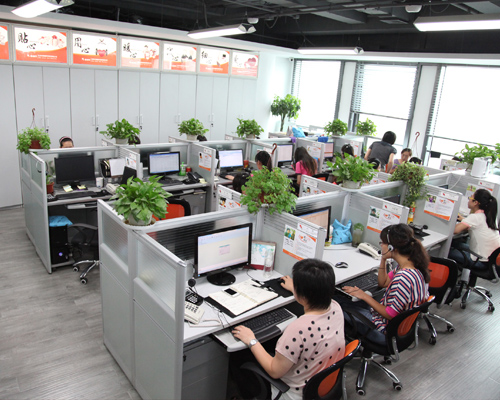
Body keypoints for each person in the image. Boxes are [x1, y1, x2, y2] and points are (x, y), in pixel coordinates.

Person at [232, 259, 344, 400]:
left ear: (303, 294)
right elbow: (313, 299)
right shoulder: (336, 308)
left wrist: (251, 340)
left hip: (294, 393)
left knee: (238, 356)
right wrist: (296, 290)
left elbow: (274, 371)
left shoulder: (298, 329)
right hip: (320, 382)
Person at [338, 224, 429, 345]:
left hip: (384, 332)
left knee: (336, 305)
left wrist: (364, 295)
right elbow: (383, 282)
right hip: (397, 328)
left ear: (391, 247)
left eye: (382, 243)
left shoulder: (403, 278)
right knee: (343, 299)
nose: (380, 245)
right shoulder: (410, 266)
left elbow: (390, 314)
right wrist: (383, 258)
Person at [449, 189, 500, 272]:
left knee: (445, 250)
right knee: (455, 243)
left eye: (470, 197)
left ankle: (450, 278)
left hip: (480, 261)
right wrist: (464, 220)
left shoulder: (475, 217)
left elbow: (455, 230)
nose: (469, 199)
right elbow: (478, 224)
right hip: (491, 261)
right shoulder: (491, 217)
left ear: (475, 202)